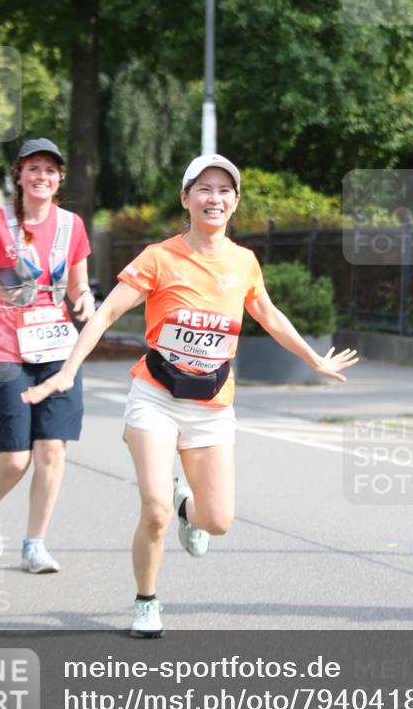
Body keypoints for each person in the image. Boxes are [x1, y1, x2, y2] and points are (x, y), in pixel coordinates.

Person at [21, 154, 358, 629]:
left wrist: (314, 359)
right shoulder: (160, 258)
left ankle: (187, 506)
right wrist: (68, 369)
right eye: (204, 188)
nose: (214, 198)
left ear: (235, 202)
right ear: (186, 198)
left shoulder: (243, 262)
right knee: (153, 510)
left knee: (217, 520)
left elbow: (270, 315)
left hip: (212, 405)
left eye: (224, 190)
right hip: (155, 396)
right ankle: (146, 600)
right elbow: (106, 314)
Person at [0, 138, 96, 573]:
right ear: (19, 176)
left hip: (56, 348)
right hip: (5, 350)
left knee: (52, 450)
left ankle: (35, 544)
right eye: (33, 169)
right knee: (15, 457)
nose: (42, 177)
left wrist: (86, 299)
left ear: (59, 179)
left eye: (50, 170)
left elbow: (79, 283)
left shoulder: (71, 225)